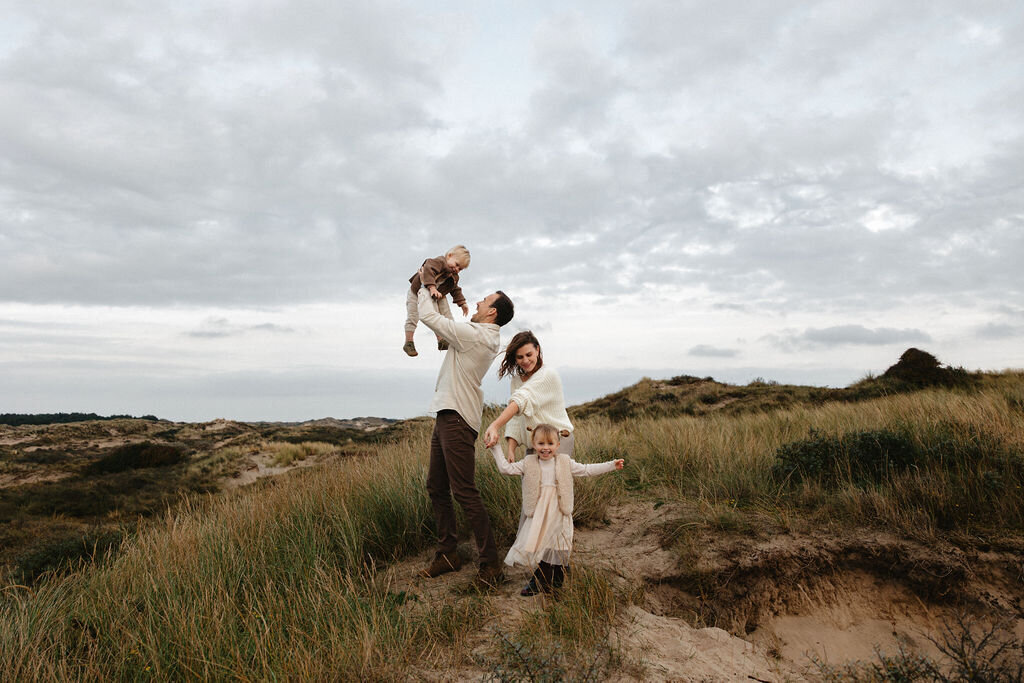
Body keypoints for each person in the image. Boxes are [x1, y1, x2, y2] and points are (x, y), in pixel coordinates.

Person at [416, 283, 515, 588]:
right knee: (436, 486)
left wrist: (423, 285)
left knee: (464, 491)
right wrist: (441, 294)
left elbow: (430, 318)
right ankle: (448, 554)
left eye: (484, 301)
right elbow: (446, 325)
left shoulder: (477, 335)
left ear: (492, 312)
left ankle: (491, 565)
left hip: (457, 417)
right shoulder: (477, 334)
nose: (478, 303)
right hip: (449, 413)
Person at [488, 423, 624, 595]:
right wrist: (496, 448)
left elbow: (587, 469)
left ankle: (557, 583)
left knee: (560, 544)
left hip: (560, 510)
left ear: (558, 445)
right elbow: (505, 469)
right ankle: (542, 582)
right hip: (540, 513)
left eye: (550, 444)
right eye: (541, 443)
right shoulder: (529, 462)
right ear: (533, 444)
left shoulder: (564, 462)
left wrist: (611, 465)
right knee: (543, 545)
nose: (545, 448)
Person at [483, 331, 573, 462]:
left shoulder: (548, 374)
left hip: (557, 440)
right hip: (534, 444)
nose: (525, 360)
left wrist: (495, 426)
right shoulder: (516, 381)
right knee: (529, 475)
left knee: (553, 475)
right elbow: (516, 419)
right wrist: (511, 450)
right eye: (520, 357)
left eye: (529, 354)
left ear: (537, 350)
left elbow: (522, 399)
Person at [404, 245, 471, 357]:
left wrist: (462, 303)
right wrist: (432, 287)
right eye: (456, 264)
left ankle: (441, 341)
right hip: (416, 292)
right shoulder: (439, 262)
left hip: (433, 295)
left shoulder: (454, 276)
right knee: (413, 316)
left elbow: (455, 289)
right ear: (449, 256)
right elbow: (428, 270)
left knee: (436, 315)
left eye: (460, 269)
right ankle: (408, 342)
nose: (456, 269)